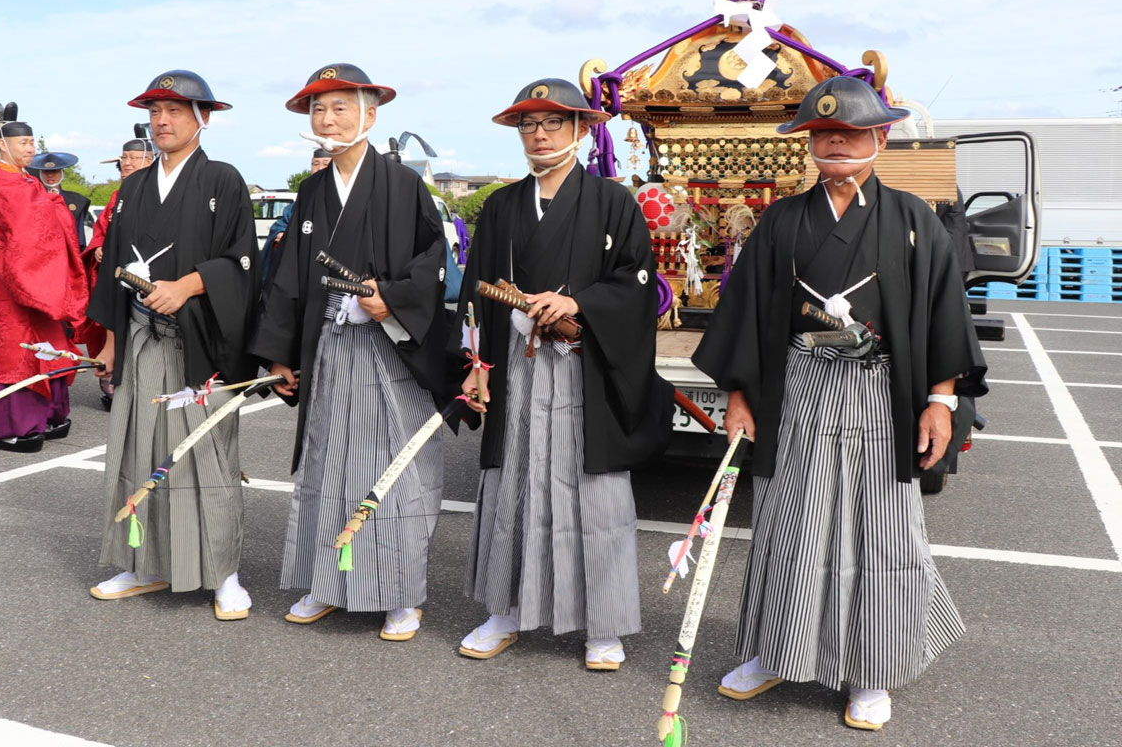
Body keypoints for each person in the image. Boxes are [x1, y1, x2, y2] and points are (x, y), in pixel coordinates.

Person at [691, 76, 988, 730]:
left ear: (879, 137)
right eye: (823, 132)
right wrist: (739, 392)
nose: (836, 142)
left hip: (881, 392)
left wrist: (940, 401)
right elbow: (743, 312)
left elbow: (945, 312)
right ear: (809, 142)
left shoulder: (914, 221)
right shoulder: (782, 221)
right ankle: (776, 649)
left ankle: (870, 670)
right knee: (786, 521)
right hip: (797, 386)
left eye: (851, 131)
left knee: (879, 529)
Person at [455, 78, 672, 670]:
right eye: (530, 124)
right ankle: (504, 609)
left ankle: (603, 624)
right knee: (513, 487)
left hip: (583, 371)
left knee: (593, 495)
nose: (540, 134)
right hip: (519, 373)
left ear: (580, 130)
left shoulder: (611, 202)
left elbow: (638, 284)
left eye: (554, 123)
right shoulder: (500, 206)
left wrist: (579, 306)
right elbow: (474, 297)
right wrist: (476, 366)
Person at [250, 63, 448, 641]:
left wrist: (392, 300)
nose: (327, 118)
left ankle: (402, 593)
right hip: (329, 348)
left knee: (393, 468)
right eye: (319, 108)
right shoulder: (312, 189)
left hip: (387, 349)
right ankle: (328, 583)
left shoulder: (403, 184)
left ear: (370, 113)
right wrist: (281, 353)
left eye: (340, 106)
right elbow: (286, 276)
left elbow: (434, 262)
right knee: (327, 463)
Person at [87, 70, 259, 620]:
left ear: (202, 118)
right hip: (140, 338)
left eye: (176, 111)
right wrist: (111, 341)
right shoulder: (134, 187)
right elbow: (113, 268)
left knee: (203, 454)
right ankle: (144, 564)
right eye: (156, 112)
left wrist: (186, 285)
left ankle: (224, 573)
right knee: (139, 449)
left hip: (201, 342)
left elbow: (243, 261)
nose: (162, 121)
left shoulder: (223, 181)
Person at [0, 116, 87, 453]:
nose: (29, 149)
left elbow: (51, 219)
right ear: (3, 144)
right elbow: (27, 232)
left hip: (38, 277)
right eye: (23, 143)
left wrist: (50, 205)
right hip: (14, 280)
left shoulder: (27, 182)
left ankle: (52, 416)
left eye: (31, 143)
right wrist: (51, 206)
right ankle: (18, 425)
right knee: (17, 350)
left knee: (50, 345)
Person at [80, 136, 155, 409]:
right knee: (107, 326)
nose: (127, 163)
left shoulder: (155, 191)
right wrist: (98, 246)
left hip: (143, 275)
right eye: (124, 158)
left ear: (149, 161)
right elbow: (100, 230)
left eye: (133, 158)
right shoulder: (116, 195)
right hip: (112, 274)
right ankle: (111, 386)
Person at [258, 148, 330, 291]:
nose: (319, 168)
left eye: (325, 164)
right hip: (295, 269)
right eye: (315, 164)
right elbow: (280, 225)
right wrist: (279, 234)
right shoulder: (302, 198)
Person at [29, 152, 92, 249]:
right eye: (46, 172)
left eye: (55, 171)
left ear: (62, 172)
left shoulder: (76, 201)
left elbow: (79, 239)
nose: (50, 175)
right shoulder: (32, 199)